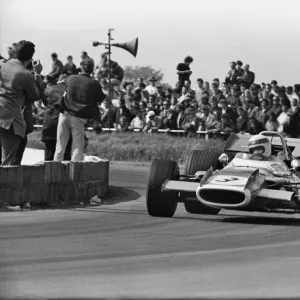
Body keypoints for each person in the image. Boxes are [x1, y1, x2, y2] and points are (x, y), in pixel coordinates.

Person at [0, 40, 44, 165]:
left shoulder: (2, 65)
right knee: (8, 163)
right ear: (30, 57)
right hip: (10, 121)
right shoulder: (25, 74)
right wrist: (38, 74)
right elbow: (36, 95)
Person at [54, 58, 105, 162]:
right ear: (92, 69)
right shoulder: (94, 83)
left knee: (60, 147)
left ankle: (54, 173)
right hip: (79, 118)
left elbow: (66, 91)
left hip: (64, 114)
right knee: (77, 148)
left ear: (81, 67)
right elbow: (101, 98)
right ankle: (74, 175)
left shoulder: (71, 78)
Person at [42, 75, 73, 161]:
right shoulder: (71, 91)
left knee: (49, 156)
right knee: (65, 156)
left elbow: (44, 103)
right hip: (66, 125)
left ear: (59, 80)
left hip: (50, 125)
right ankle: (65, 174)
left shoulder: (48, 89)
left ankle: (48, 174)